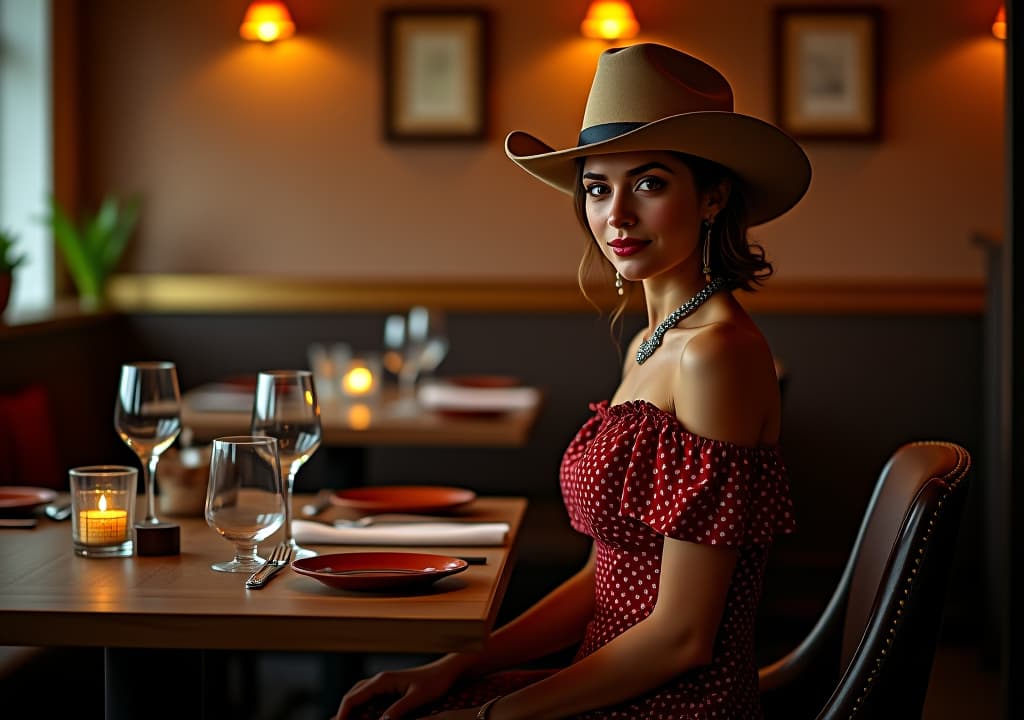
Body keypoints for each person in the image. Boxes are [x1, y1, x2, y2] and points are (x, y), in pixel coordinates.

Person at [335, 42, 810, 720]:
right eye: (596, 187)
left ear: (712, 196)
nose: (615, 215)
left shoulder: (718, 354)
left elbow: (683, 638)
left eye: (648, 184)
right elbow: (601, 578)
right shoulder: (651, 344)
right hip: (607, 674)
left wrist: (496, 715)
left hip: (674, 703)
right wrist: (458, 665)